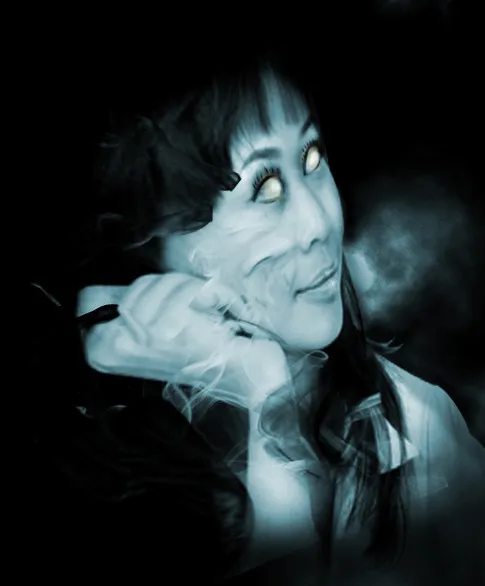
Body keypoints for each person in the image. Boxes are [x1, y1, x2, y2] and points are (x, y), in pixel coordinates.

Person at [29, 52, 484, 585]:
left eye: (312, 158)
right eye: (265, 187)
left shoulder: (420, 424)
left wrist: (264, 393)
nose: (318, 222)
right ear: (149, 247)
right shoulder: (87, 489)